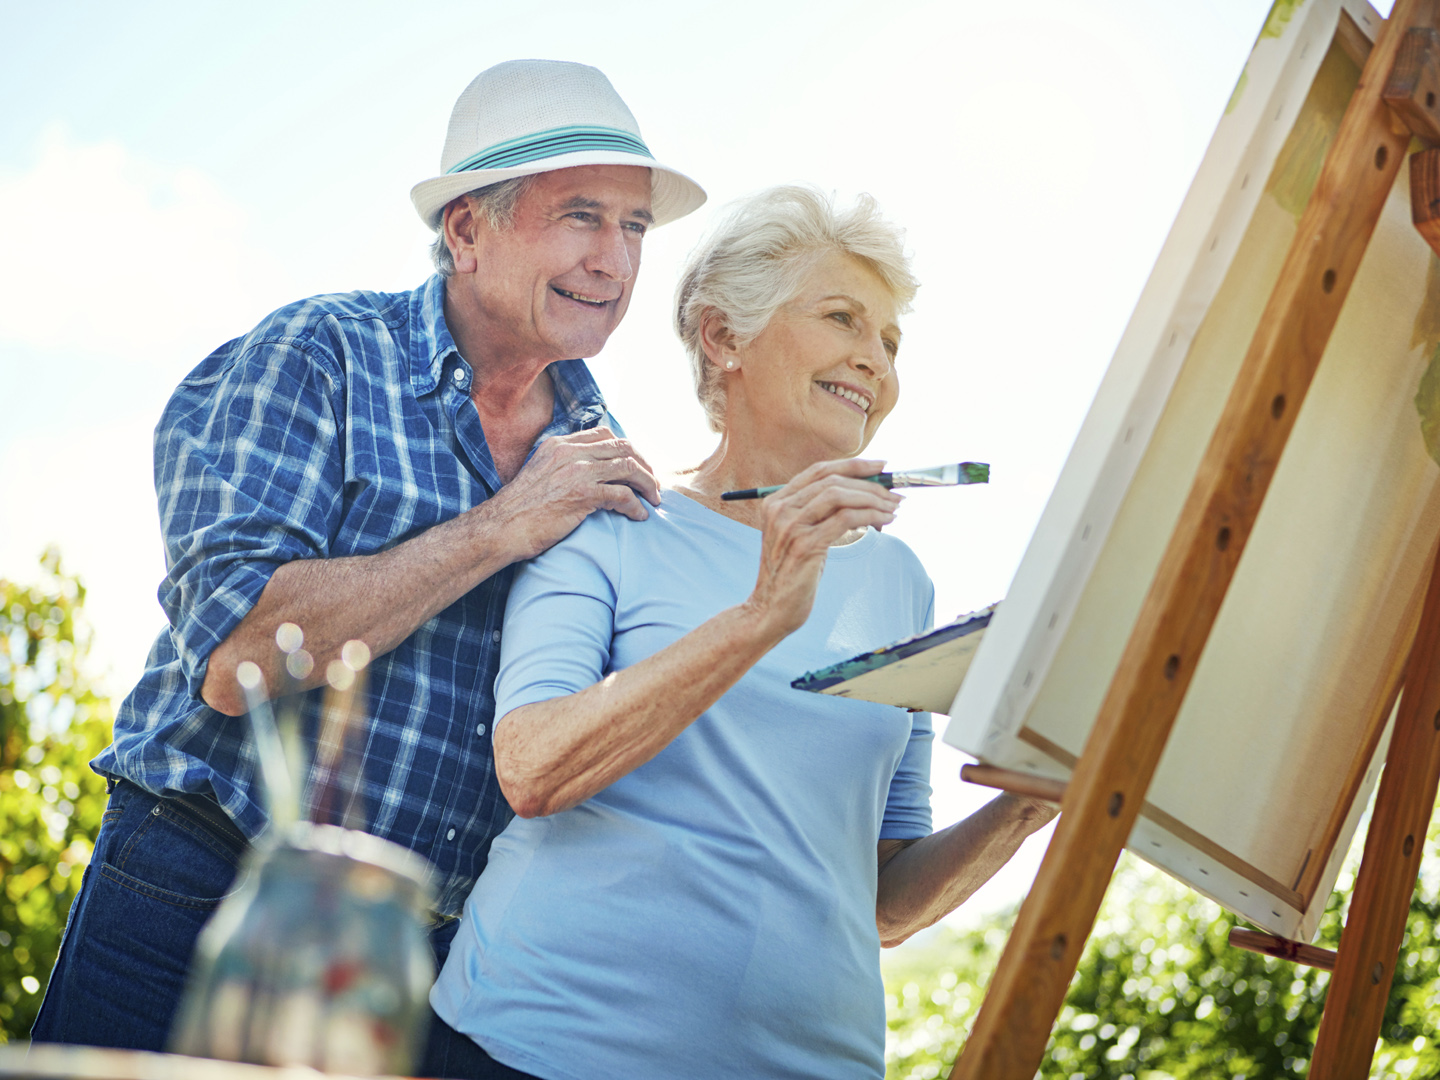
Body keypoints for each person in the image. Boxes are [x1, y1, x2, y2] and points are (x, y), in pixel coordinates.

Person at [31, 59, 705, 1052]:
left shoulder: (604, 465)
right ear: (466, 231)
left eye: (635, 226)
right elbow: (241, 660)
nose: (615, 260)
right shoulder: (317, 355)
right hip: (204, 885)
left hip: (409, 954)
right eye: (580, 216)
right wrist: (498, 528)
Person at [424, 187, 1057, 1080]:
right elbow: (532, 767)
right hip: (537, 1050)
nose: (873, 360)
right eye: (843, 318)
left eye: (889, 341)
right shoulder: (611, 522)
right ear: (723, 339)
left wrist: (1034, 798)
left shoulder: (901, 583)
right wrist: (761, 615)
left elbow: (882, 901)